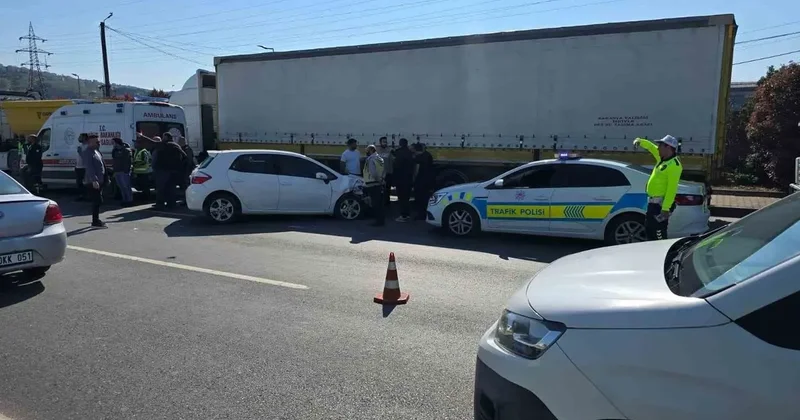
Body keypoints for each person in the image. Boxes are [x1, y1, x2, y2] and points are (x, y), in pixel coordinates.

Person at [633, 135, 683, 241]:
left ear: (668, 148)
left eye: (660, 146)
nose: (658, 148)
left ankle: (662, 255)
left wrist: (665, 209)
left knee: (659, 234)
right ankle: (652, 255)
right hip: (652, 204)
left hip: (660, 207)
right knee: (649, 231)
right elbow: (651, 147)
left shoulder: (674, 165)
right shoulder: (662, 158)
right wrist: (640, 141)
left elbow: (672, 189)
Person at [152, 134, 186, 209]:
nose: (162, 138)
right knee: (171, 188)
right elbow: (184, 156)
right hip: (174, 170)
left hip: (163, 170)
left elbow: (154, 143)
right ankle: (171, 204)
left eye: (163, 137)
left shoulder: (164, 145)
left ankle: (160, 204)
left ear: (166, 137)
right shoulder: (176, 145)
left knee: (161, 188)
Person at [83, 134, 107, 228]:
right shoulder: (88, 152)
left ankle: (96, 220)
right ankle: (95, 221)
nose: (98, 142)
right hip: (93, 181)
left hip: (100, 179)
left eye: (98, 141)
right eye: (96, 141)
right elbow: (89, 168)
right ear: (89, 142)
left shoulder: (96, 151)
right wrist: (94, 180)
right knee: (97, 201)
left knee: (98, 201)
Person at [392, 138, 415, 222]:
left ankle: (403, 215)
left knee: (401, 198)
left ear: (400, 144)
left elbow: (396, 167)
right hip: (408, 179)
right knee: (406, 198)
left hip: (400, 179)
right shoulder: (410, 153)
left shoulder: (399, 153)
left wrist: (394, 180)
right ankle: (407, 214)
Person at [363, 145, 385, 227]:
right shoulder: (380, 159)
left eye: (367, 150)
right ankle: (381, 220)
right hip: (380, 183)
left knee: (375, 204)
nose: (366, 152)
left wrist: (377, 179)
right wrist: (381, 180)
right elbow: (383, 170)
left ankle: (378, 221)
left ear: (371, 150)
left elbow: (373, 172)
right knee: (380, 204)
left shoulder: (371, 159)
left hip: (373, 183)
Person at [412, 143, 435, 220]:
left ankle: (421, 214)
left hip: (420, 180)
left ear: (415, 149)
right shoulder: (428, 155)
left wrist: (414, 179)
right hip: (428, 179)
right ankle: (427, 212)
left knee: (419, 198)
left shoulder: (418, 158)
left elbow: (416, 170)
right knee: (426, 197)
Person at [111, 138, 134, 206]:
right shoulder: (114, 150)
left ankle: (129, 200)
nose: (112, 144)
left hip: (124, 171)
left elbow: (128, 162)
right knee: (121, 186)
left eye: (113, 142)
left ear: (117, 143)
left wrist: (126, 171)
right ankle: (124, 200)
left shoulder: (126, 150)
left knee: (126, 186)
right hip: (117, 171)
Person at [132, 135, 153, 200]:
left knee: (145, 187)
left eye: (136, 143)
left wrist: (135, 163)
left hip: (144, 172)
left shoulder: (143, 152)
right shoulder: (137, 151)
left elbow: (144, 161)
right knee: (142, 186)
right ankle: (144, 197)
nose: (135, 144)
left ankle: (147, 198)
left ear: (140, 144)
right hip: (139, 172)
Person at [376, 136, 394, 206]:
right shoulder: (377, 151)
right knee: (379, 189)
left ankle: (387, 202)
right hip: (379, 174)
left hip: (388, 173)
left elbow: (392, 161)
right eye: (383, 142)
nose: (385, 143)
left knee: (387, 189)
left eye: (386, 142)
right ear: (380, 142)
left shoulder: (389, 150)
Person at [74, 134, 88, 201]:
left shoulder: (87, 146)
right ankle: (81, 196)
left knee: (85, 183)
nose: (79, 138)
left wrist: (80, 152)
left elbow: (86, 157)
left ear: (85, 138)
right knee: (79, 183)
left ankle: (86, 196)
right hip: (78, 167)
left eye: (81, 137)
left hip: (84, 167)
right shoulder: (80, 146)